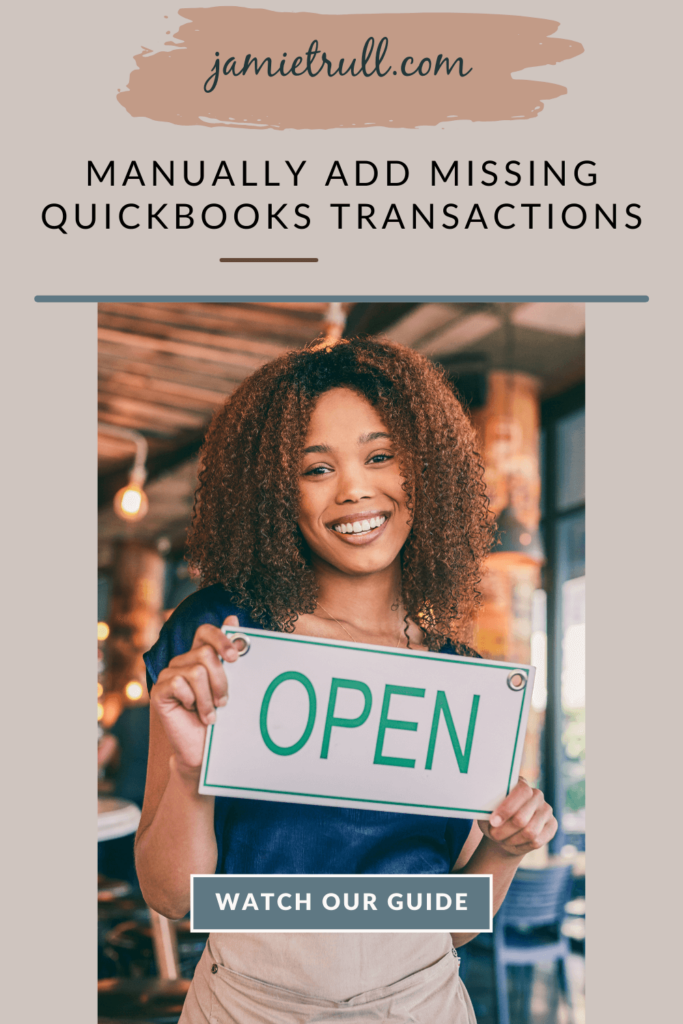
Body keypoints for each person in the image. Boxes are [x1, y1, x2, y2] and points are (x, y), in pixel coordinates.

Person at [136, 336, 557, 1023]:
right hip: (249, 1003)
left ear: (424, 470)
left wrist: (504, 850)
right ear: (277, 494)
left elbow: (447, 924)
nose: (356, 488)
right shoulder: (219, 637)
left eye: (380, 455)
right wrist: (191, 774)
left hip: (421, 1000)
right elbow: (174, 897)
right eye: (314, 468)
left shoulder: (460, 680)